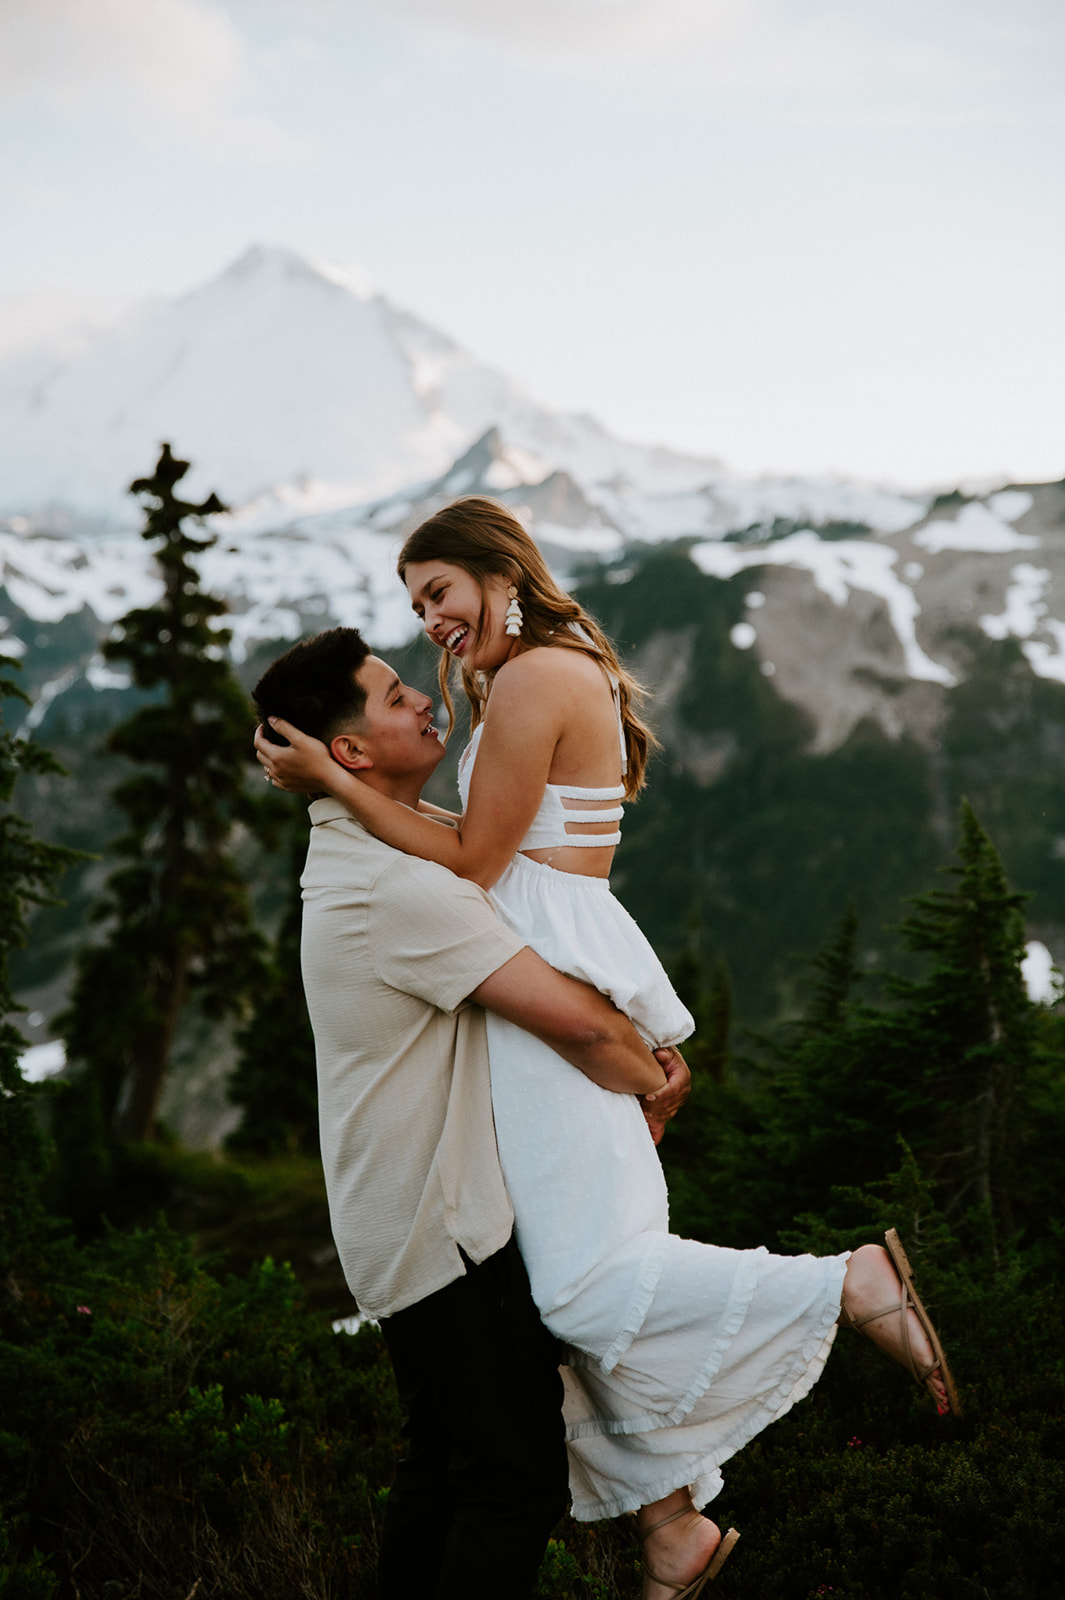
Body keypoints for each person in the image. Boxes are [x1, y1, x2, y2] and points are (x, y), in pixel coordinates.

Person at [256, 500, 961, 1600]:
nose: (431, 622)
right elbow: (478, 857)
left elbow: (479, 859)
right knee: (556, 1287)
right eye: (415, 608)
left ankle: (844, 1285)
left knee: (577, 1290)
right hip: (541, 970)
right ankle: (669, 1518)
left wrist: (340, 785)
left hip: (548, 969)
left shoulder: (531, 678)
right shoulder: (513, 674)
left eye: (437, 592)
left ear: (496, 571)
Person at [251, 626, 689, 1600]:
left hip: (404, 1219)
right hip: (440, 1233)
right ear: (350, 750)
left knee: (446, 1469)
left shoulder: (375, 847)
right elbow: (574, 1021)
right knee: (510, 1481)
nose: (421, 697)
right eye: (393, 692)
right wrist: (653, 1072)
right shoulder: (396, 884)